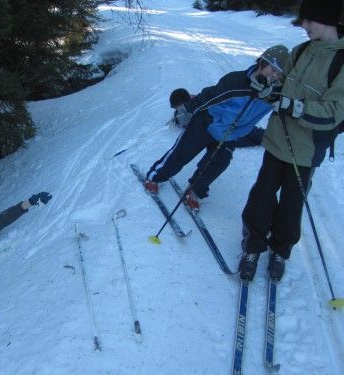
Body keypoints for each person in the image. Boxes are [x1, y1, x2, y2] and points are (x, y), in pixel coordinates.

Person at [239, 0, 344, 282]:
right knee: (262, 194)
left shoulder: (340, 61)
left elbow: (334, 112)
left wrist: (294, 107)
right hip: (277, 140)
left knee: (292, 203)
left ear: (326, 18)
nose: (304, 26)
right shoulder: (300, 50)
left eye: (309, 20)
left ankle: (280, 250)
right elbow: (279, 86)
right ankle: (253, 246)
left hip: (307, 150)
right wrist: (265, 88)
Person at [144, 45, 290, 211]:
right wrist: (187, 109)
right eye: (273, 69)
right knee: (182, 153)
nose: (274, 76)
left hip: (230, 133)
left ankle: (195, 191)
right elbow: (209, 96)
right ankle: (155, 177)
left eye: (279, 75)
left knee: (219, 161)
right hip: (206, 122)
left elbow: (288, 106)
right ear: (262, 63)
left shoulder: (274, 95)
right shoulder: (236, 81)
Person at [168, 88, 266, 210]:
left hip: (226, 128)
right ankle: (194, 190)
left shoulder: (201, 101)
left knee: (254, 135)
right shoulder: (183, 113)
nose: (178, 110)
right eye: (177, 108)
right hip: (216, 136)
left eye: (179, 106)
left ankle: (271, 138)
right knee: (241, 142)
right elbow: (179, 119)